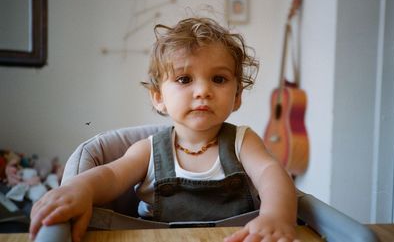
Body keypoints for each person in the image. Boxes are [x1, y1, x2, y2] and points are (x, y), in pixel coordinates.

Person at [29, 17, 298, 242]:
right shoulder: (148, 150)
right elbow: (110, 176)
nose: (203, 91)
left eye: (219, 79)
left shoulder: (243, 141)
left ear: (237, 96)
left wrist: (276, 215)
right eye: (184, 79)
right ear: (158, 97)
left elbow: (271, 173)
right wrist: (81, 189)